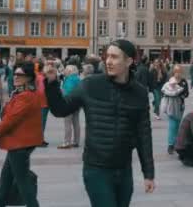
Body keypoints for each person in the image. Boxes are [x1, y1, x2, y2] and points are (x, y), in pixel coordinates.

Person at [45, 40, 155, 207]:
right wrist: (52, 83)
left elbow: (143, 134)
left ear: (129, 61)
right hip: (96, 169)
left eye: (114, 57)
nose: (108, 61)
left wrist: (148, 173)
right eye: (107, 56)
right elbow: (60, 110)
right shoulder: (91, 85)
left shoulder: (139, 92)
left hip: (124, 170)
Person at [0, 61, 43, 207]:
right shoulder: (22, 94)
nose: (15, 77)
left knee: (23, 185)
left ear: (29, 78)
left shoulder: (25, 96)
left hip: (20, 144)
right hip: (18, 144)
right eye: (14, 74)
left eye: (20, 75)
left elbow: (10, 120)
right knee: (6, 182)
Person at [161, 65, 189, 155]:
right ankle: (170, 144)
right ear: (173, 72)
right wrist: (172, 94)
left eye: (179, 71)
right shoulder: (170, 81)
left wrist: (181, 95)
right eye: (176, 71)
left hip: (180, 105)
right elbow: (164, 91)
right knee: (172, 125)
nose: (178, 73)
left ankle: (176, 142)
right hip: (171, 106)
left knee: (177, 124)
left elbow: (186, 93)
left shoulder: (184, 82)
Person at [58, 65, 81, 149]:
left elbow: (67, 92)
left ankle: (67, 142)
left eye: (66, 70)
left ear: (70, 71)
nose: (64, 72)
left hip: (69, 103)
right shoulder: (77, 78)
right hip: (77, 103)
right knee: (76, 122)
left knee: (67, 122)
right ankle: (76, 141)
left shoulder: (70, 80)